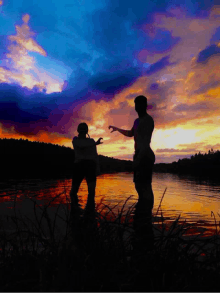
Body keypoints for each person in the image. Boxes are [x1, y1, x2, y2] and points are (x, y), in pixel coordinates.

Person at [109, 95, 155, 249]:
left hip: (145, 155)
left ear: (145, 105)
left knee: (145, 186)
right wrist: (117, 129)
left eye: (140, 104)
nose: (137, 107)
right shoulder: (136, 121)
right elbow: (131, 134)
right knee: (139, 187)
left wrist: (138, 160)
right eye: (136, 104)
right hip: (138, 155)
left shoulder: (148, 120)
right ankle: (143, 215)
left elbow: (145, 142)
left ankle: (146, 217)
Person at [70, 122, 103, 214]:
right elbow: (81, 146)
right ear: (78, 130)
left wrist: (97, 168)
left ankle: (90, 213)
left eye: (84, 129)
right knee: (74, 191)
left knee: (91, 192)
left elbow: (95, 155)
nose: (82, 131)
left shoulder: (91, 141)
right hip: (79, 166)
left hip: (90, 166)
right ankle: (75, 211)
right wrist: (95, 143)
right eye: (82, 129)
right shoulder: (75, 140)